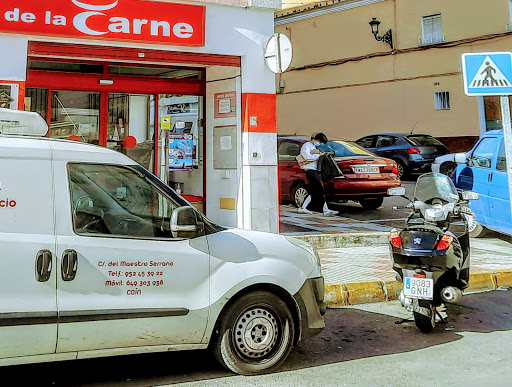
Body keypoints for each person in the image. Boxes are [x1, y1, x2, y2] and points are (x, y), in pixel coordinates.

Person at [298, 132, 338, 216]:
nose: (319, 144)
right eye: (320, 142)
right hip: (310, 170)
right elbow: (307, 157)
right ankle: (324, 209)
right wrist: (318, 156)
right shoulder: (307, 145)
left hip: (314, 170)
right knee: (320, 189)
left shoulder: (313, 147)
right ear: (316, 139)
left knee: (314, 191)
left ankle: (304, 208)